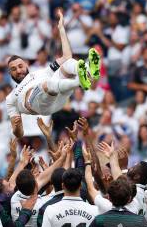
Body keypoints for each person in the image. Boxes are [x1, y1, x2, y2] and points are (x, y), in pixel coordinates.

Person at [6, 9, 101, 138]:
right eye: (13, 69)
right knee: (46, 84)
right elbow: (19, 134)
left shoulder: (40, 73)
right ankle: (80, 82)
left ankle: (90, 72)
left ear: (26, 65)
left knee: (67, 64)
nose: (18, 70)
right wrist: (16, 127)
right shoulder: (11, 98)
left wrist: (61, 28)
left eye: (20, 66)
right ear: (10, 73)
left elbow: (66, 56)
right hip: (42, 105)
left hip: (59, 97)